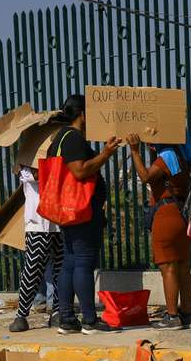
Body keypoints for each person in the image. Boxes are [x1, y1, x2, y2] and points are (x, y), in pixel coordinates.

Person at [48, 94, 121, 334]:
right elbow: (79, 171)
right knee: (83, 262)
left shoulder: (58, 139)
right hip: (81, 211)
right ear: (82, 114)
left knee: (70, 262)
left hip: (68, 211)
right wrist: (106, 154)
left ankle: (67, 318)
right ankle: (90, 319)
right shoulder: (73, 139)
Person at [126, 133, 191, 329]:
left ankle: (172, 316)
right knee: (183, 267)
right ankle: (187, 314)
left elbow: (145, 177)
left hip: (166, 216)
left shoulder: (166, 158)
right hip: (182, 217)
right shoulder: (182, 157)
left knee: (168, 268)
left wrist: (134, 150)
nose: (149, 143)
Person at [8, 162, 63, 332]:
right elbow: (38, 175)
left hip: (60, 222)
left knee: (61, 269)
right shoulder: (26, 166)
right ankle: (22, 315)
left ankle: (58, 311)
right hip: (37, 224)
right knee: (32, 269)